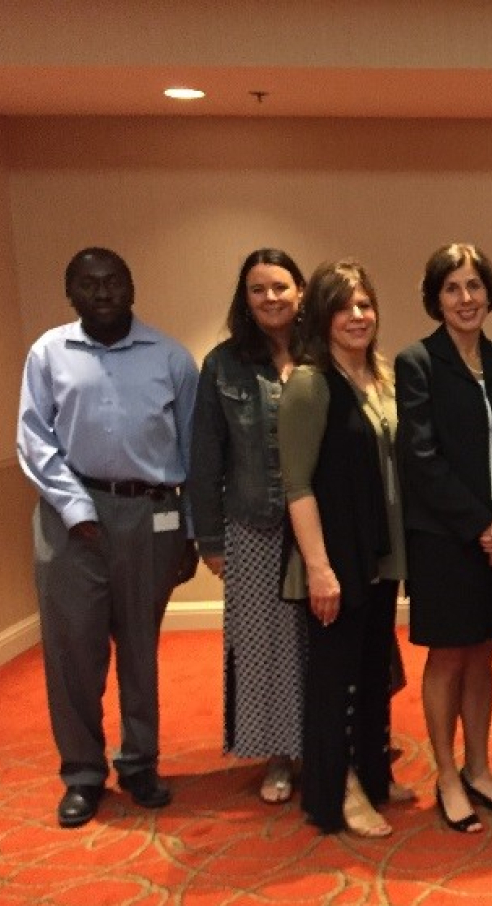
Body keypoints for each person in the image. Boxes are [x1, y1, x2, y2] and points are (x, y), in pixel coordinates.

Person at [17, 247, 199, 829]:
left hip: (150, 516)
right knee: (74, 652)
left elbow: (194, 451)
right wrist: (75, 507)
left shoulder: (170, 357)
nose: (102, 292)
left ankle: (140, 762)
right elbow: (34, 439)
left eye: (113, 281)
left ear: (132, 286)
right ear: (70, 293)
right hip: (71, 518)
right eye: (88, 284)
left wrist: (190, 532)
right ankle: (83, 773)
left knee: (140, 649)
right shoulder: (48, 352)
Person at [395, 244, 492, 834]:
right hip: (446, 538)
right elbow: (420, 458)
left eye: (474, 285)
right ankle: (447, 774)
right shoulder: (417, 362)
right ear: (436, 297)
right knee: (449, 653)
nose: (465, 298)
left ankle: (479, 767)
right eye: (452, 288)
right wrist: (481, 523)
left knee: (485, 651)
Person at [278, 259, 412, 837]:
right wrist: (319, 569)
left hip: (381, 553)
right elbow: (297, 484)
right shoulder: (310, 382)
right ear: (322, 317)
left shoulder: (380, 375)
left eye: (365, 304)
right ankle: (337, 793)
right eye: (344, 306)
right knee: (335, 682)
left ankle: (373, 774)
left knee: (372, 670)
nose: (357, 316)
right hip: (335, 556)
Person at [188, 249, 308, 805]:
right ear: (246, 298)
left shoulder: (324, 353)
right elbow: (205, 458)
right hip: (253, 526)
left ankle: (328, 744)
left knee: (321, 640)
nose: (271, 298)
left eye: (280, 286)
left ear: (301, 291)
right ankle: (278, 754)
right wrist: (210, 541)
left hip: (321, 527)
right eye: (258, 289)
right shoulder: (223, 365)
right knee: (263, 645)